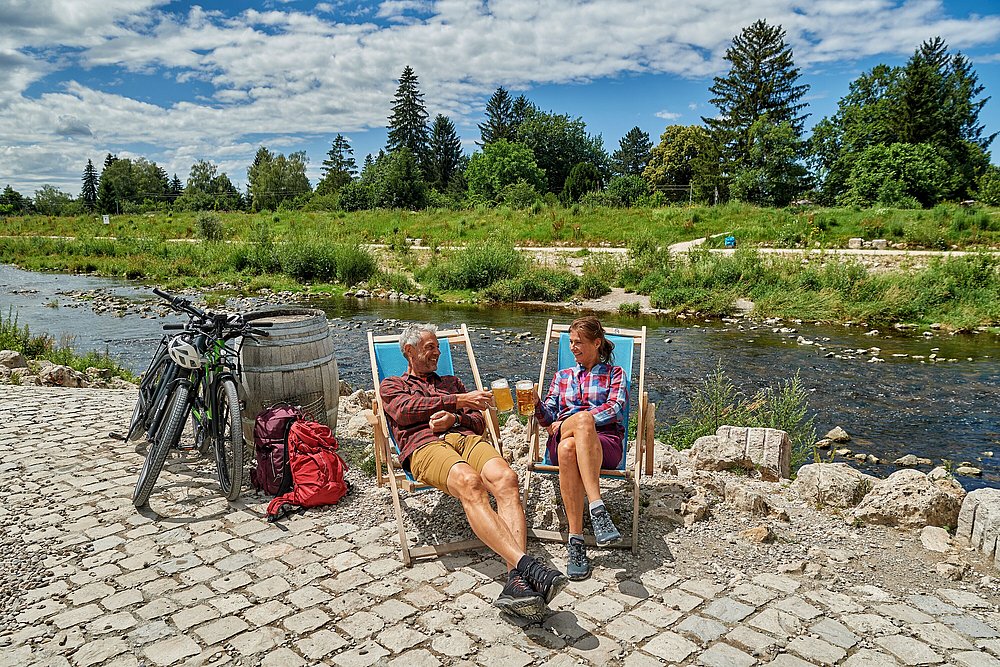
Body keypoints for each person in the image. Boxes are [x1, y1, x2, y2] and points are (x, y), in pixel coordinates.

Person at [379, 323, 568, 620]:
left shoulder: (452, 381)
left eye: (438, 348)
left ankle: (515, 580)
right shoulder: (393, 385)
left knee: (507, 479)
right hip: (423, 446)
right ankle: (527, 565)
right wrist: (456, 402)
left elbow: (478, 423)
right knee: (470, 482)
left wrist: (453, 416)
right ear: (409, 351)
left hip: (464, 440)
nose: (437, 353)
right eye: (430, 348)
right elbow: (404, 411)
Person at [533, 316, 627, 581]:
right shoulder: (562, 376)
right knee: (575, 430)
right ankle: (597, 509)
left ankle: (575, 541)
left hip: (604, 442)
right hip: (561, 433)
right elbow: (548, 418)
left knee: (570, 446)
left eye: (579, 342)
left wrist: (576, 422)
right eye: (571, 342)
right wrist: (537, 405)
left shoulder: (615, 374)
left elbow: (616, 407)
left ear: (597, 343)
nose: (573, 348)